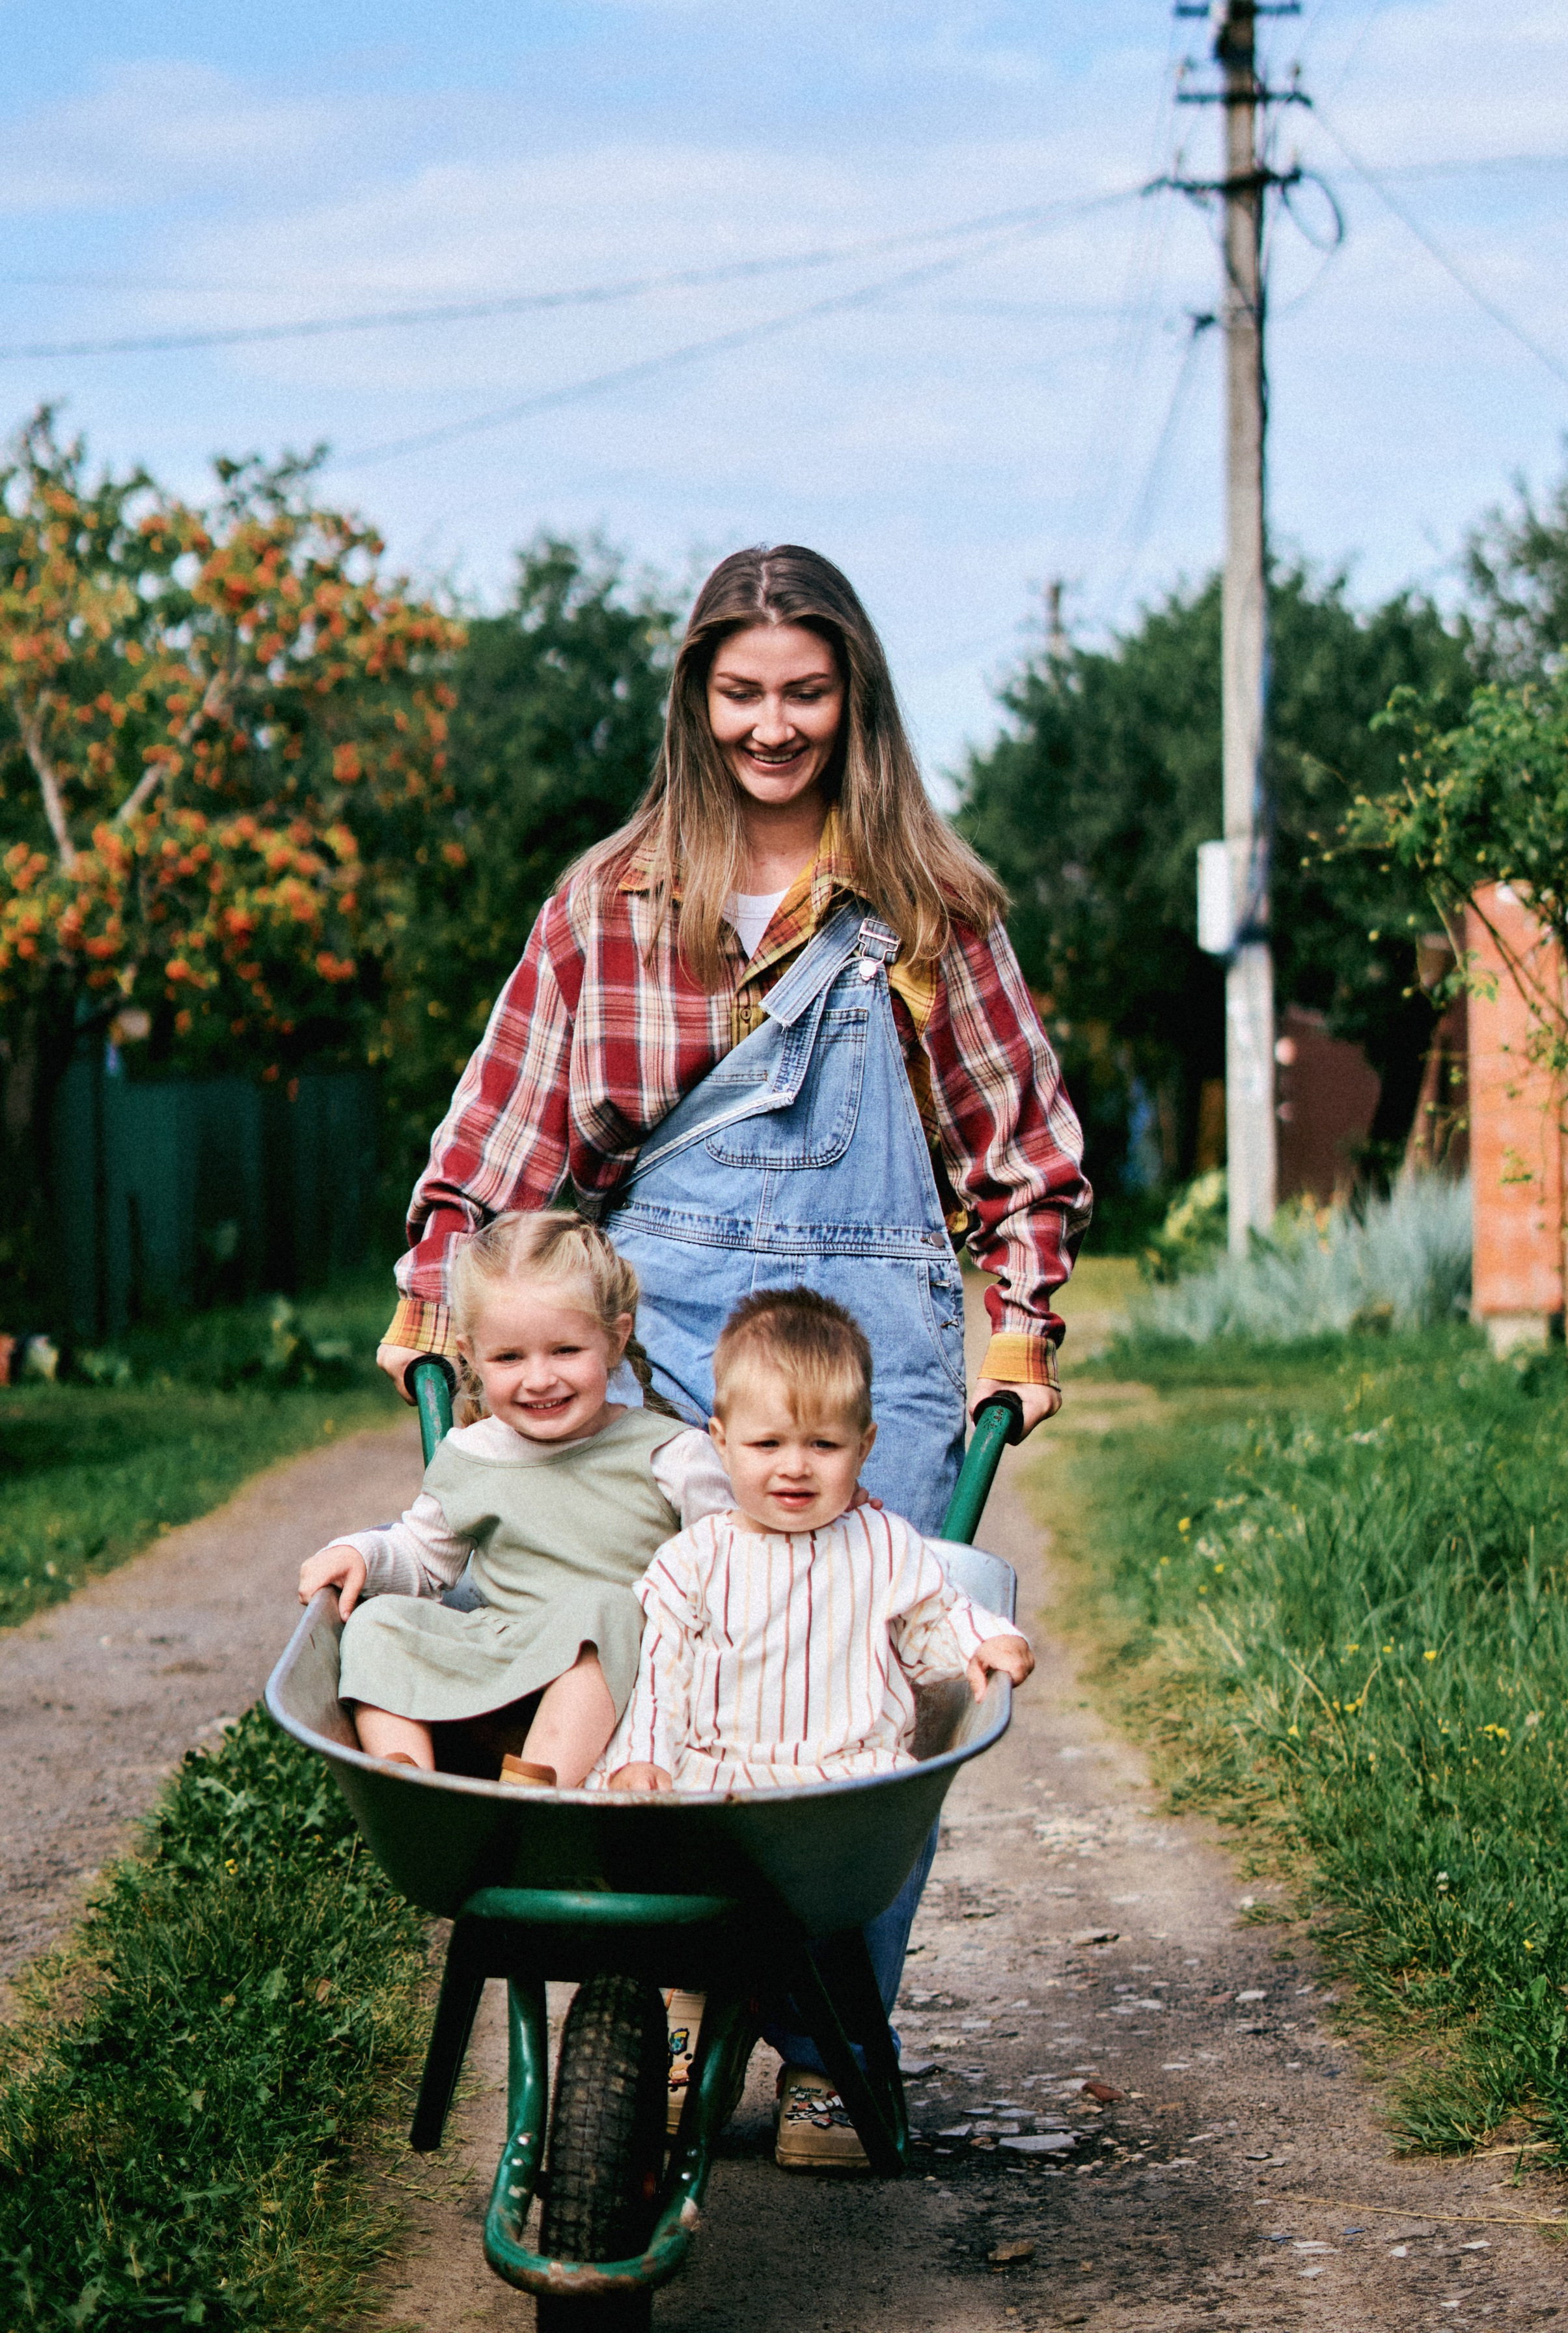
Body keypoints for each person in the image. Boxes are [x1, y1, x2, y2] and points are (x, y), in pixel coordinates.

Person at [373, 542, 1090, 2159]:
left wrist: (1016, 1328)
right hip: (663, 1328)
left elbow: (1024, 1153)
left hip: (868, 1356)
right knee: (645, 1651)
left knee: (861, 1689)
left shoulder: (931, 909)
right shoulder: (608, 902)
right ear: (699, 697)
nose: (773, 727)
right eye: (743, 692)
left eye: (806, 694)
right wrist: (437, 1299)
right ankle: (672, 1972)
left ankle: (827, 2036)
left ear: (853, 699)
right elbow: (502, 1136)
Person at [601, 1289, 1033, 2170]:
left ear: (866, 1447)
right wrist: (641, 1761)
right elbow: (661, 1679)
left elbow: (936, 1619)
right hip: (715, 1788)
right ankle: (689, 2028)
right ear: (720, 1444)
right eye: (765, 1445)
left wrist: (989, 1639)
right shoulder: (694, 1560)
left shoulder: (884, 1546)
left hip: (841, 1795)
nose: (793, 1469)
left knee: (826, 1932)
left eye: (824, 1446)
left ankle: (827, 2071)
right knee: (685, 1904)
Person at [296, 1212, 730, 1788]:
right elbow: (426, 1560)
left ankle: (536, 1789)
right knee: (378, 1623)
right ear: (470, 1355)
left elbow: (730, 1568)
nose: (539, 1379)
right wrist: (365, 1555)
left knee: (606, 1606)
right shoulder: (473, 1455)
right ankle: (406, 1781)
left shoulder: (670, 1455)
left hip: (615, 1667)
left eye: (566, 1350)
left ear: (615, 1340)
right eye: (509, 1359)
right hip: (504, 1651)